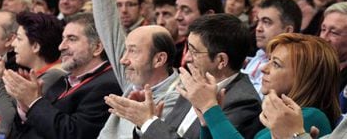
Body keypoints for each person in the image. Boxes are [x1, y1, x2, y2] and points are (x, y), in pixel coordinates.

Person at [105, 14, 263, 139]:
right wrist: (147, 124)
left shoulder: (243, 102)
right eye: (187, 49)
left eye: (194, 51)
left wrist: (148, 122)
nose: (186, 57)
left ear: (221, 60)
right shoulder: (193, 84)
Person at [90, 0, 180, 138]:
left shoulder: (178, 96)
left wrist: (145, 121)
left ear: (159, 59)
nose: (123, 59)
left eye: (133, 51)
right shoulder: (135, 78)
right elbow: (108, 25)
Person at [184, 33, 340, 139]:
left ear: (305, 77)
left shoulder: (310, 117)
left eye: (276, 64)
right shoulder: (278, 113)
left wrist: (210, 108)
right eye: (269, 60)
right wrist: (207, 123)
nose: (263, 68)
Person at [3, 13, 122, 139]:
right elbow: (25, 128)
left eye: (71, 39)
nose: (61, 46)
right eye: (63, 39)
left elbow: (73, 134)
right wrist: (24, 104)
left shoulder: (108, 86)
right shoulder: (63, 81)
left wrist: (33, 101)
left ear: (97, 47)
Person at [242, 0, 302, 99]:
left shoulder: (291, 68)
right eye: (258, 22)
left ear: (288, 31)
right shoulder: (261, 54)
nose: (258, 28)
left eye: (266, 22)